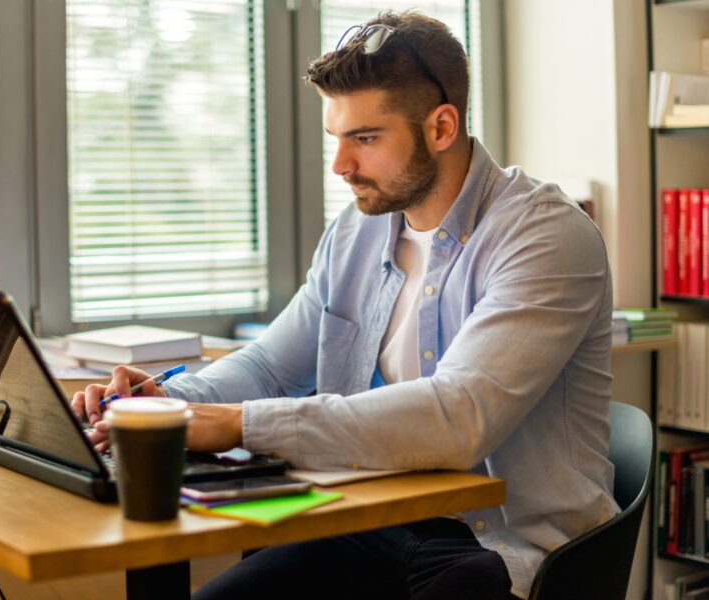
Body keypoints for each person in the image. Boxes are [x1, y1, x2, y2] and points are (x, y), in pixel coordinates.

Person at [71, 10, 616, 600]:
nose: (341, 166)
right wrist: (164, 406)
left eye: (366, 138)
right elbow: (270, 368)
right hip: (364, 523)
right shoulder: (357, 232)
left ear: (440, 127)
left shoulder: (545, 234)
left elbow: (459, 418)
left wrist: (237, 423)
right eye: (337, 138)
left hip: (500, 550)